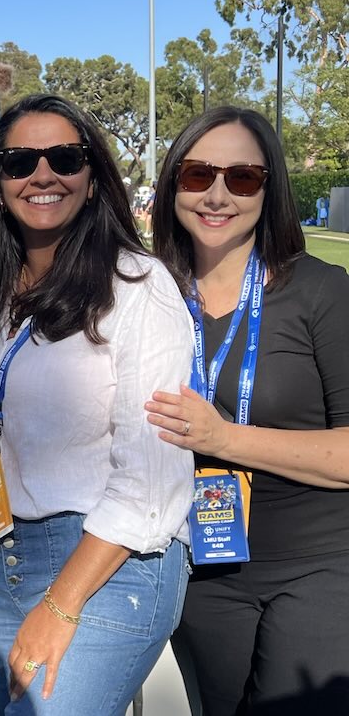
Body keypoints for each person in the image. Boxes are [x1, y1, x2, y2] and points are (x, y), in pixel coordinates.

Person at [0, 94, 195, 715]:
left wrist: (60, 604)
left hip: (105, 564)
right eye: (19, 161)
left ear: (92, 177)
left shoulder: (139, 285)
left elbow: (149, 477)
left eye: (64, 157)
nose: (42, 175)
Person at [146, 106, 349, 715]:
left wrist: (226, 439)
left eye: (242, 178)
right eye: (197, 174)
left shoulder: (321, 291)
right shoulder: (144, 295)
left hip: (319, 566)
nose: (216, 194)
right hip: (198, 563)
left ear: (270, 190)